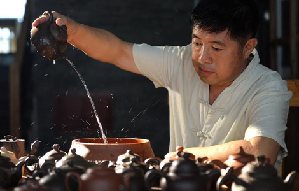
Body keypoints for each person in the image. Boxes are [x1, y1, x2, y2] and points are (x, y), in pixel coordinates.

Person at [32, 0, 292, 169]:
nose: (202, 57)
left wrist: (183, 156)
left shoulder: (268, 87)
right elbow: (118, 51)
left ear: (248, 47)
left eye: (216, 47)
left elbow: (261, 152)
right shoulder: (180, 61)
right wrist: (73, 30)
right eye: (197, 42)